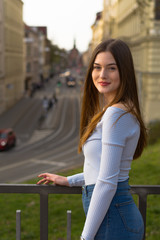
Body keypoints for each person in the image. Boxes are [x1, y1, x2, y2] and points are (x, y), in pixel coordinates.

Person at [37, 39, 147, 240]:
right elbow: (103, 170)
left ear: (125, 71)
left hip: (113, 220)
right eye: (97, 67)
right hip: (116, 217)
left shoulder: (115, 113)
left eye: (111, 68)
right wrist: (69, 180)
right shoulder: (117, 110)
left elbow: (107, 182)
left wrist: (85, 237)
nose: (102, 75)